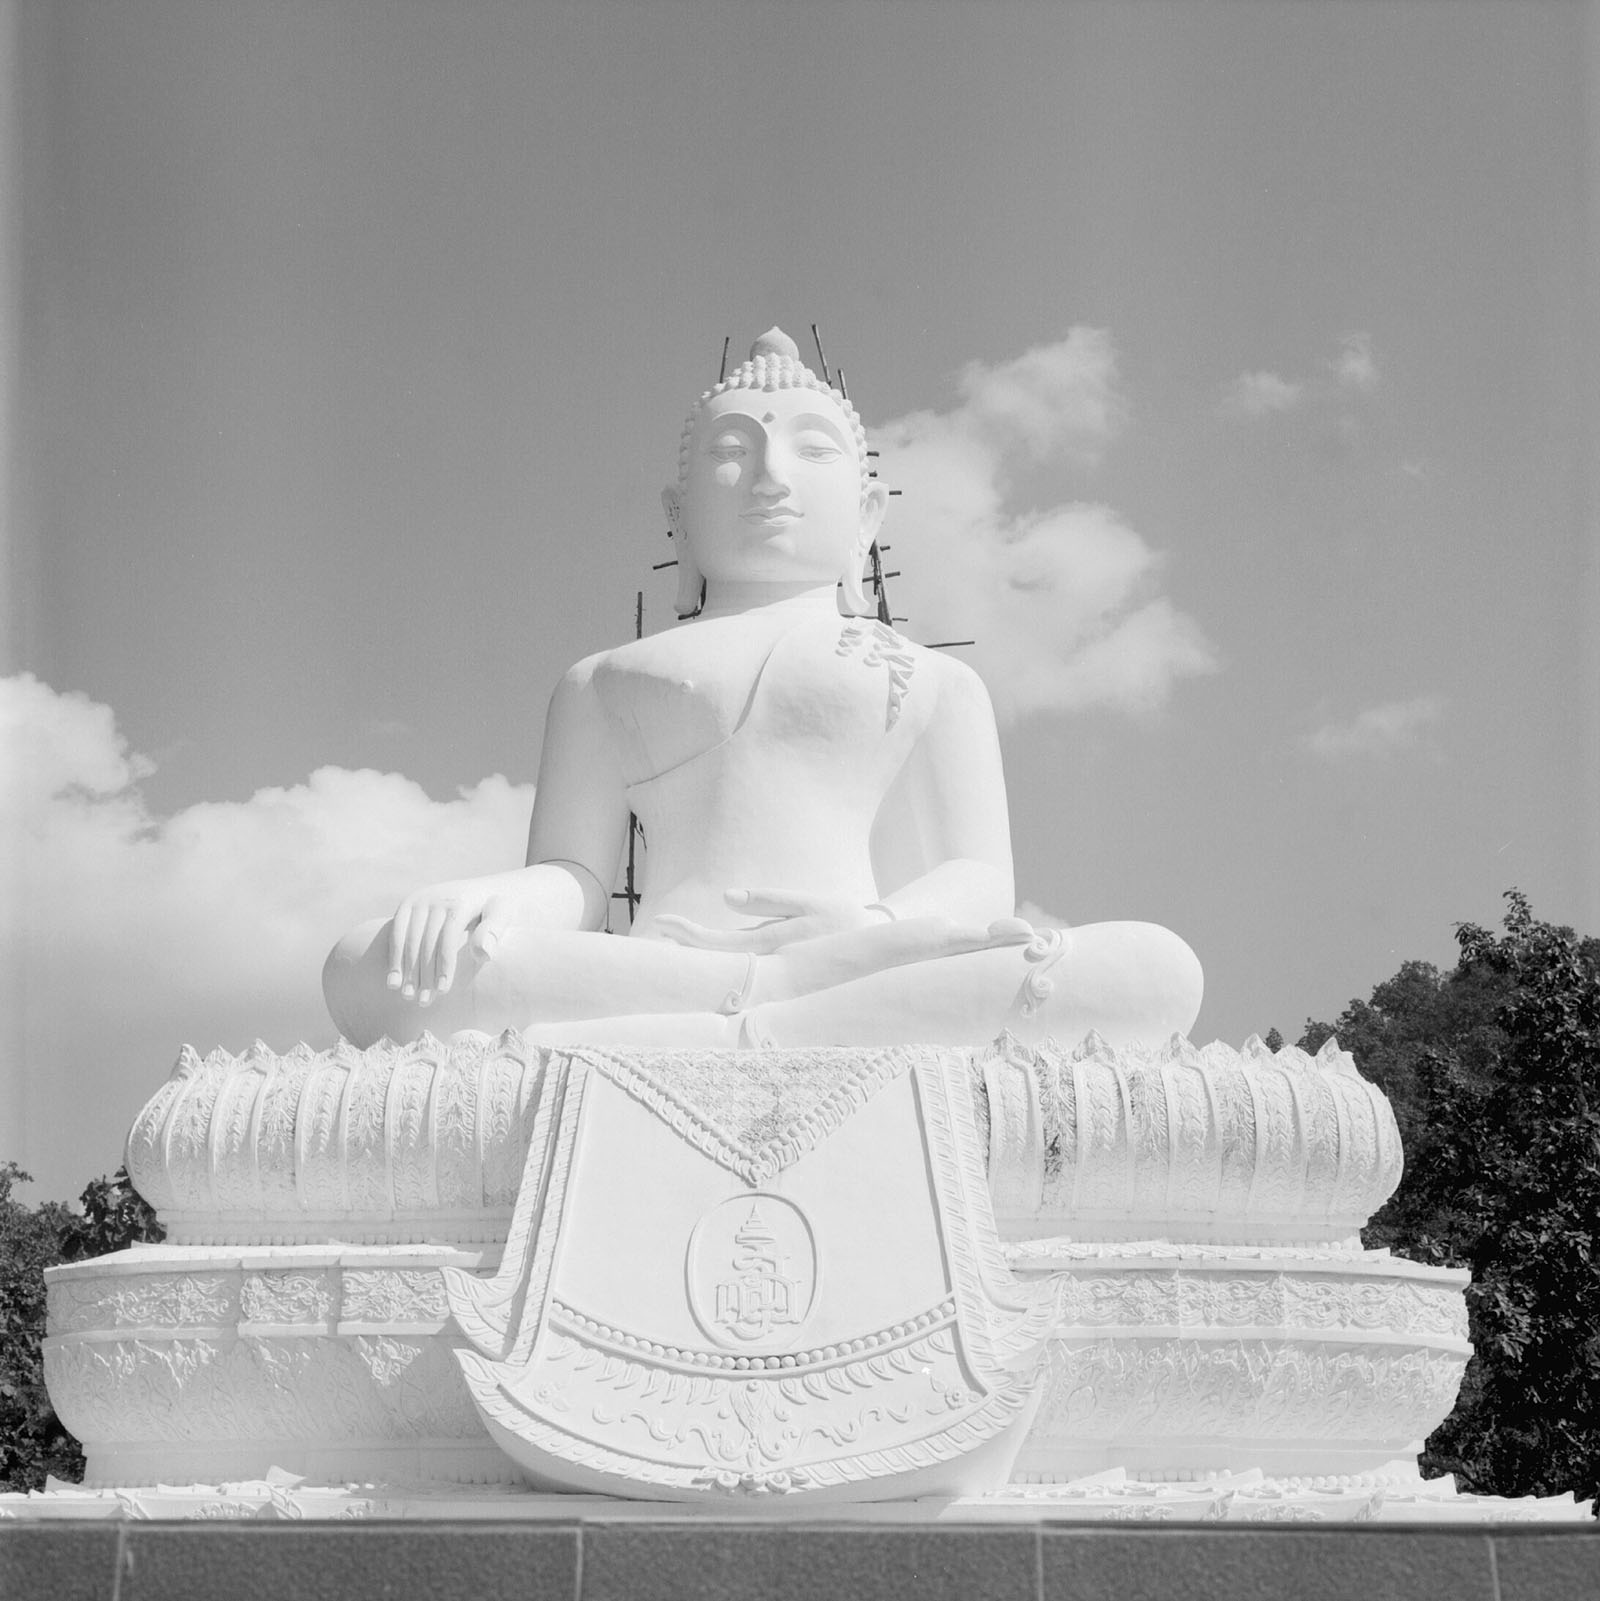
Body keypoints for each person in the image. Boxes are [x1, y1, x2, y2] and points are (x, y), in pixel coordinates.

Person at [324, 330, 1202, 1051]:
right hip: (674, 963)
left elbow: (975, 877)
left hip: (854, 948)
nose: (772, 475)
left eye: (811, 450)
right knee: (366, 964)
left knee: (1154, 970)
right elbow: (578, 877)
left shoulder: (937, 681)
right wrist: (492, 900)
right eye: (734, 452)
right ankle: (784, 1009)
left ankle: (696, 1030)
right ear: (678, 513)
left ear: (867, 515)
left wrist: (871, 931)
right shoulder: (603, 682)